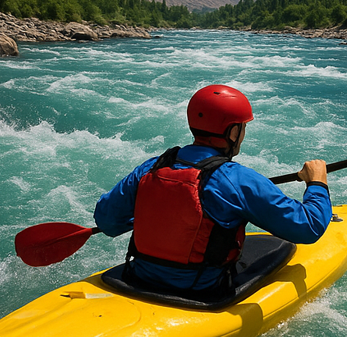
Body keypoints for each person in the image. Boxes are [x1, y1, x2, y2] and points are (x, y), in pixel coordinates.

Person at [94, 84, 331, 294]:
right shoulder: (238, 180)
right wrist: (317, 183)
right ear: (233, 132)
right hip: (202, 288)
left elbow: (108, 222)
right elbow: (309, 228)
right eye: (242, 128)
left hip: (140, 277)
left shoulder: (151, 168)